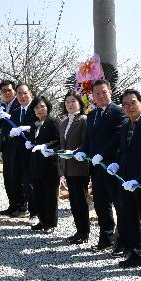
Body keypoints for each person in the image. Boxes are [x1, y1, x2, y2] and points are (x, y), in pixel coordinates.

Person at [75, 79, 124, 251]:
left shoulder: (119, 111)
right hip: (96, 167)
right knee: (101, 205)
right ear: (93, 96)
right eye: (97, 93)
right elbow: (89, 139)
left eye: (104, 92)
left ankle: (122, 241)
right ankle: (106, 238)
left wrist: (103, 154)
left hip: (113, 166)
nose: (101, 96)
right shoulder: (92, 114)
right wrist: (83, 151)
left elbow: (117, 138)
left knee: (119, 205)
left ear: (110, 92)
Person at [106, 89, 141, 268]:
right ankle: (136, 252)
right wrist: (117, 164)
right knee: (129, 216)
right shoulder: (125, 125)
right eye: (125, 104)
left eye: (133, 103)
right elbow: (123, 151)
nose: (129, 107)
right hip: (125, 178)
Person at [25, 96, 61, 233]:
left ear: (48, 107)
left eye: (42, 106)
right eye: (36, 107)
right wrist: (30, 144)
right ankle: (42, 220)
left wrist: (45, 146)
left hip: (50, 165)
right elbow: (34, 141)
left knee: (50, 195)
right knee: (38, 194)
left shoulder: (53, 122)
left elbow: (58, 141)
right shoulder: (35, 124)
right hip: (36, 164)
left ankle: (51, 223)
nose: (39, 110)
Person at [59, 91, 91, 244]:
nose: (70, 104)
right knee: (73, 200)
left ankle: (84, 232)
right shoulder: (64, 122)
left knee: (81, 199)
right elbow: (62, 144)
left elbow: (86, 142)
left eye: (73, 101)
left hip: (80, 166)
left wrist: (75, 152)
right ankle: (78, 230)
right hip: (68, 166)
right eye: (67, 102)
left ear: (79, 103)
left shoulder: (83, 119)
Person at [7, 83, 35, 219]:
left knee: (30, 182)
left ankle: (35, 212)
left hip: (30, 151)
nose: (22, 96)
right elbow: (7, 130)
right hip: (16, 152)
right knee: (17, 180)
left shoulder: (36, 108)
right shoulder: (15, 112)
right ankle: (22, 207)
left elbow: (38, 125)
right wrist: (11, 134)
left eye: (25, 93)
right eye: (19, 93)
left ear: (30, 93)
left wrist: (26, 128)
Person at [0, 80, 20, 216]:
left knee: (17, 176)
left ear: (14, 90)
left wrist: (9, 117)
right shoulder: (3, 105)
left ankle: (21, 206)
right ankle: (12, 205)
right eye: (3, 91)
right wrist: (0, 115)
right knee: (8, 177)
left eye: (9, 90)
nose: (6, 93)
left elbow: (20, 121)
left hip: (17, 145)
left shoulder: (18, 103)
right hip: (6, 145)